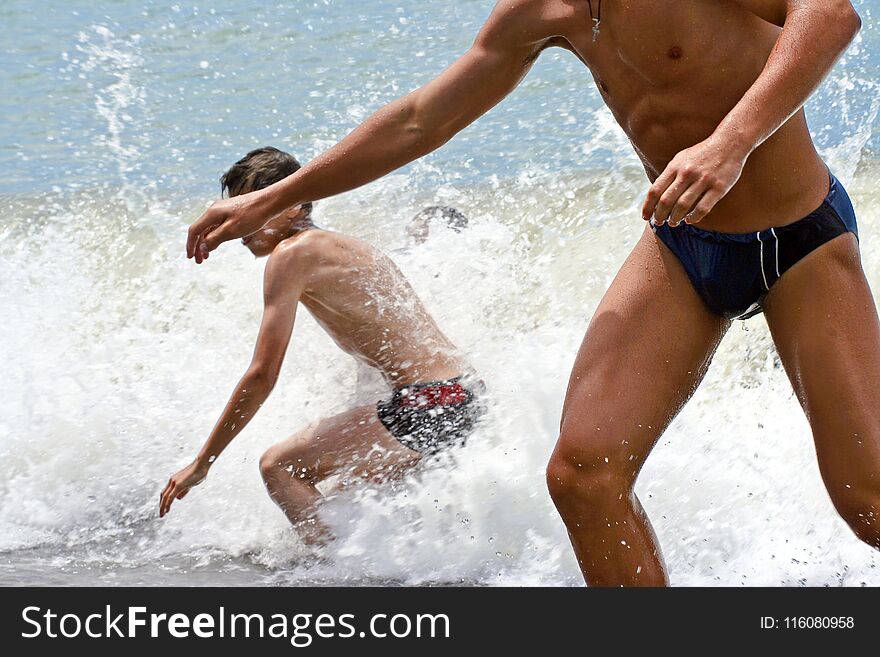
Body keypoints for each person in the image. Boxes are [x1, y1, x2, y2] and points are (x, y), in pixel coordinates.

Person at [183, 1, 878, 586]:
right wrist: (278, 196)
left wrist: (732, 142)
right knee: (583, 475)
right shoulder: (545, 11)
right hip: (684, 242)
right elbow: (424, 118)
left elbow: (832, 14)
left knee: (866, 503)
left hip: (798, 239)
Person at [160, 147, 484, 545]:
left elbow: (262, 374)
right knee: (346, 500)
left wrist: (202, 463)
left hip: (431, 402)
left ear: (294, 205)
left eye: (254, 205)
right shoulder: (337, 246)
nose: (240, 223)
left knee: (280, 468)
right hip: (461, 397)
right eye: (236, 209)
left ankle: (327, 580)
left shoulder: (291, 255)